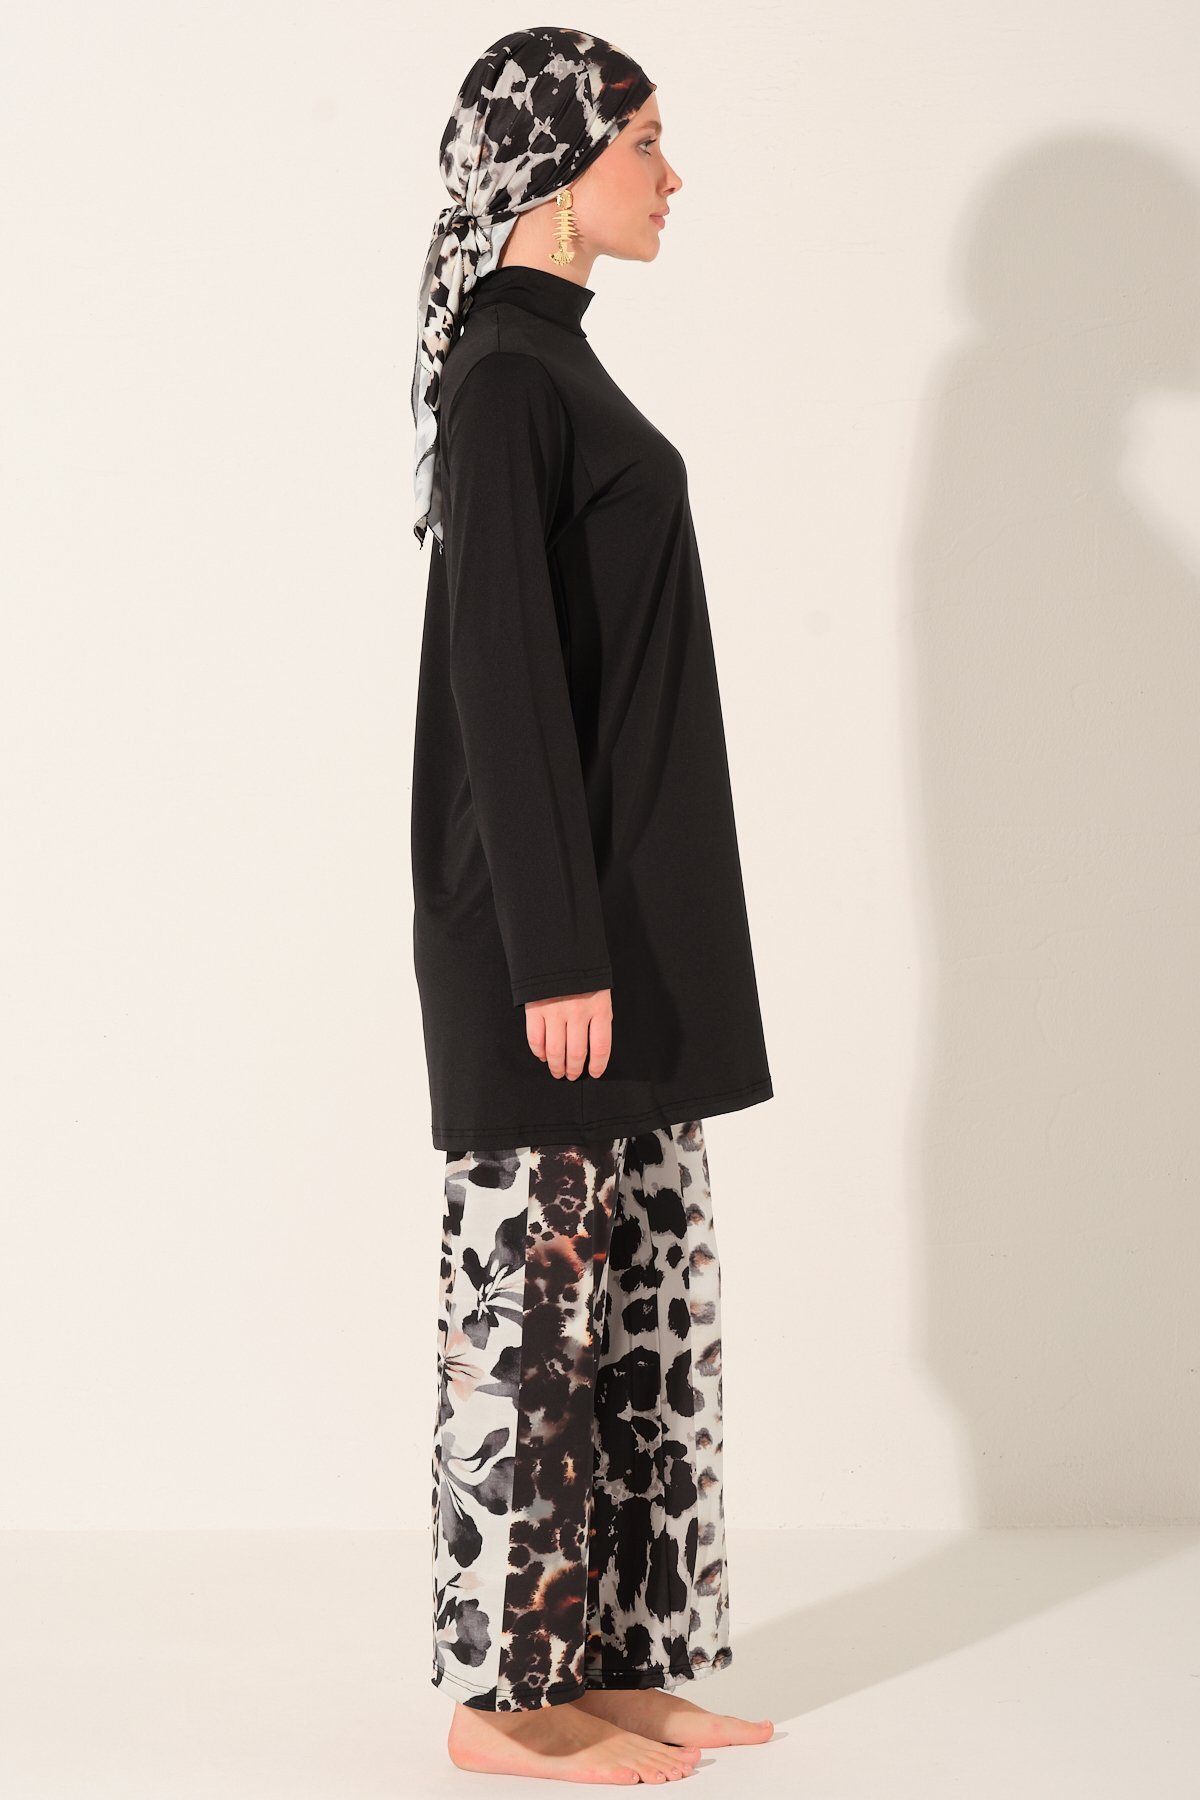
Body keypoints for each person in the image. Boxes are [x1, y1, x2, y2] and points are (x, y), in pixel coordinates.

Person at [410, 27, 776, 1785]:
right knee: (532, 1318)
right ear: (556, 169)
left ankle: (612, 1662)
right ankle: (502, 1703)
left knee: (632, 1312)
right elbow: (500, 680)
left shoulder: (555, 363)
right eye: (644, 141)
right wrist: (554, 950)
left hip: (619, 930)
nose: (670, 175)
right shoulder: (503, 378)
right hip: (547, 942)